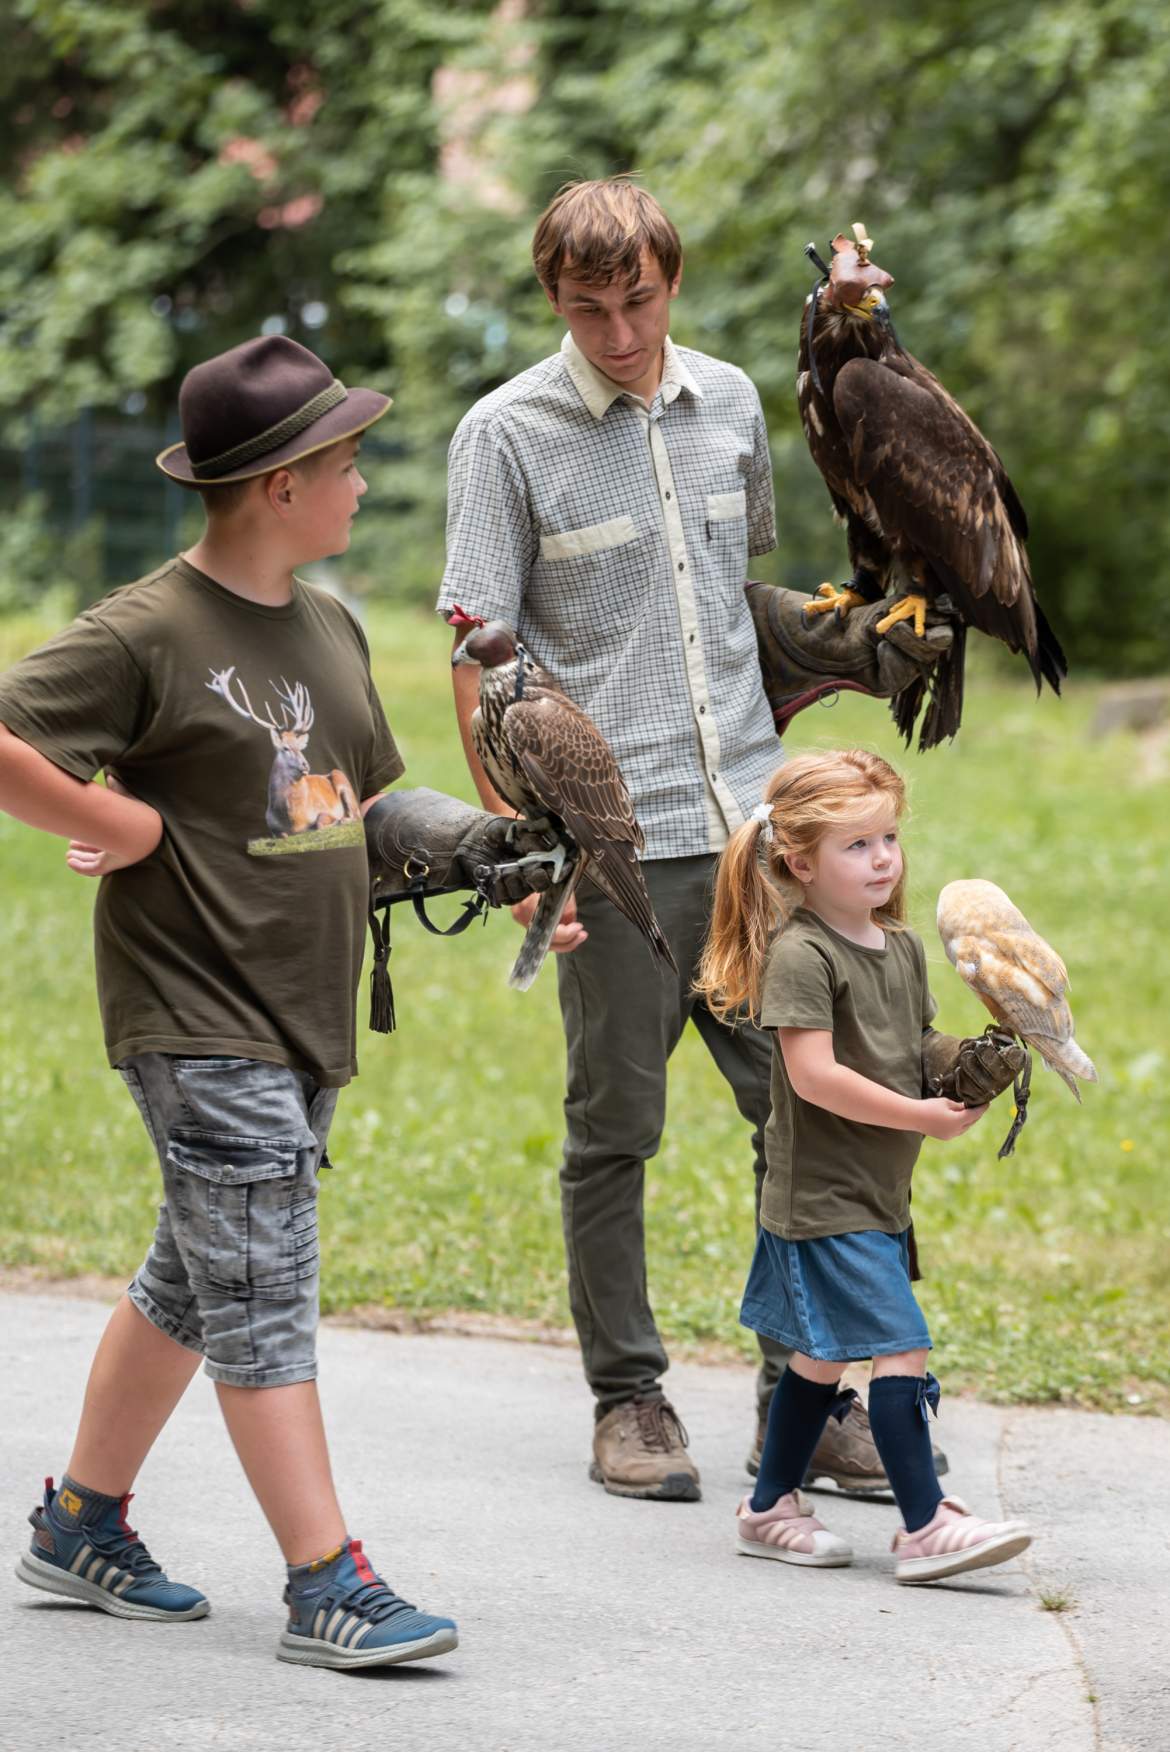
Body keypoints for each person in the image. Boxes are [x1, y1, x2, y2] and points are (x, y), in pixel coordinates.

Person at [438, 176, 947, 1502]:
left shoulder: (728, 406)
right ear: (552, 298)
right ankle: (628, 1400)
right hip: (611, 852)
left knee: (807, 1120)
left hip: (755, 842)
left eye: (640, 300)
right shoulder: (504, 437)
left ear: (676, 280)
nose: (617, 332)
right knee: (616, 1131)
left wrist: (855, 640)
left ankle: (810, 1396)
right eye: (587, 308)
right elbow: (475, 659)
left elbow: (729, 604)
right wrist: (510, 849)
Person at [1, 335, 459, 1667]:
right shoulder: (150, 628)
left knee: (196, 1282)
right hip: (194, 1010)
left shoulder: (328, 624)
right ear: (278, 487)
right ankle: (328, 1584)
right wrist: (119, 823)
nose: (362, 486)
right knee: (261, 1289)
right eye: (346, 465)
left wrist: (481, 850)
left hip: (295, 1015)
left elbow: (355, 809)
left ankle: (82, 1522)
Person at [695, 749, 1033, 1582]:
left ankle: (769, 1507)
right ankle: (924, 1527)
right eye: (858, 845)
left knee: (819, 1359)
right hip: (822, 1193)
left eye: (888, 837)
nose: (883, 858)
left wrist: (963, 1061)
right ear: (799, 862)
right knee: (900, 1344)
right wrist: (923, 1116)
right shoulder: (802, 954)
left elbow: (910, 1047)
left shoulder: (901, 947)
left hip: (876, 1192)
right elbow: (814, 1076)